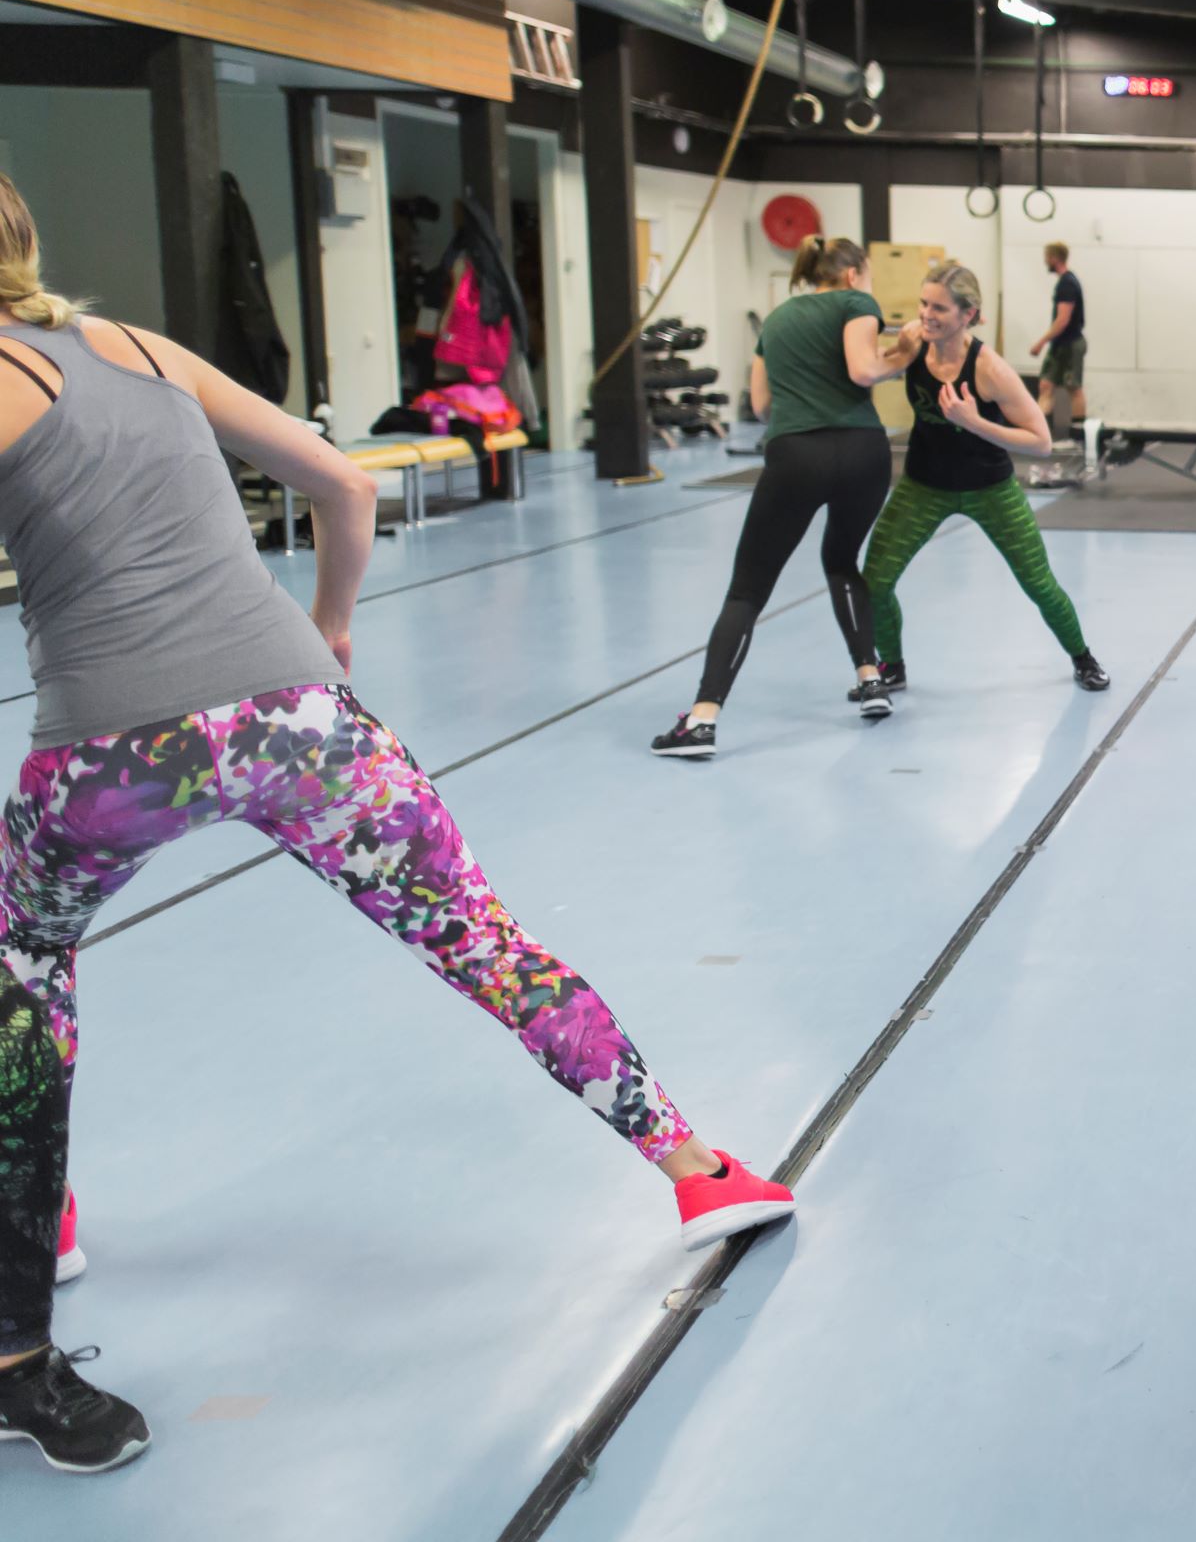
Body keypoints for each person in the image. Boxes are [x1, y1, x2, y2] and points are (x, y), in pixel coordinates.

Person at [0, 177, 791, 1476]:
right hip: (298, 719)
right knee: (480, 936)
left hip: (111, 755)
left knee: (24, 973)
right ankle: (697, 1164)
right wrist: (330, 629)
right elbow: (341, 484)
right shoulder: (137, 346)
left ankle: (21, 1327)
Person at [652, 234, 915, 759]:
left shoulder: (775, 320)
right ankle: (870, 679)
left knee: (747, 591)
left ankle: (702, 720)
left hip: (797, 456)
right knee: (842, 561)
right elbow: (863, 369)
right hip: (864, 454)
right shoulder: (857, 301)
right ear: (852, 273)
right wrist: (904, 353)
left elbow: (760, 404)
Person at [862, 261, 1108, 696]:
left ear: (968, 314)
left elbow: (1041, 441)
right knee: (875, 582)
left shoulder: (990, 370)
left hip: (990, 489)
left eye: (939, 308)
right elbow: (868, 370)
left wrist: (974, 422)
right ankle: (892, 666)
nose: (926, 315)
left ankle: (1082, 658)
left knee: (1038, 583)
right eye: (923, 303)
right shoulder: (915, 344)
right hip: (923, 486)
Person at [1029, 240, 1086, 439]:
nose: (1045, 261)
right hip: (1060, 344)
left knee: (1074, 388)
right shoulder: (1064, 282)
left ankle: (1080, 436)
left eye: (1047, 257)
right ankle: (1037, 432)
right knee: (1046, 385)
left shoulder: (1067, 284)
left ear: (1054, 258)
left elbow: (1062, 320)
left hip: (1071, 343)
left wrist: (1040, 342)